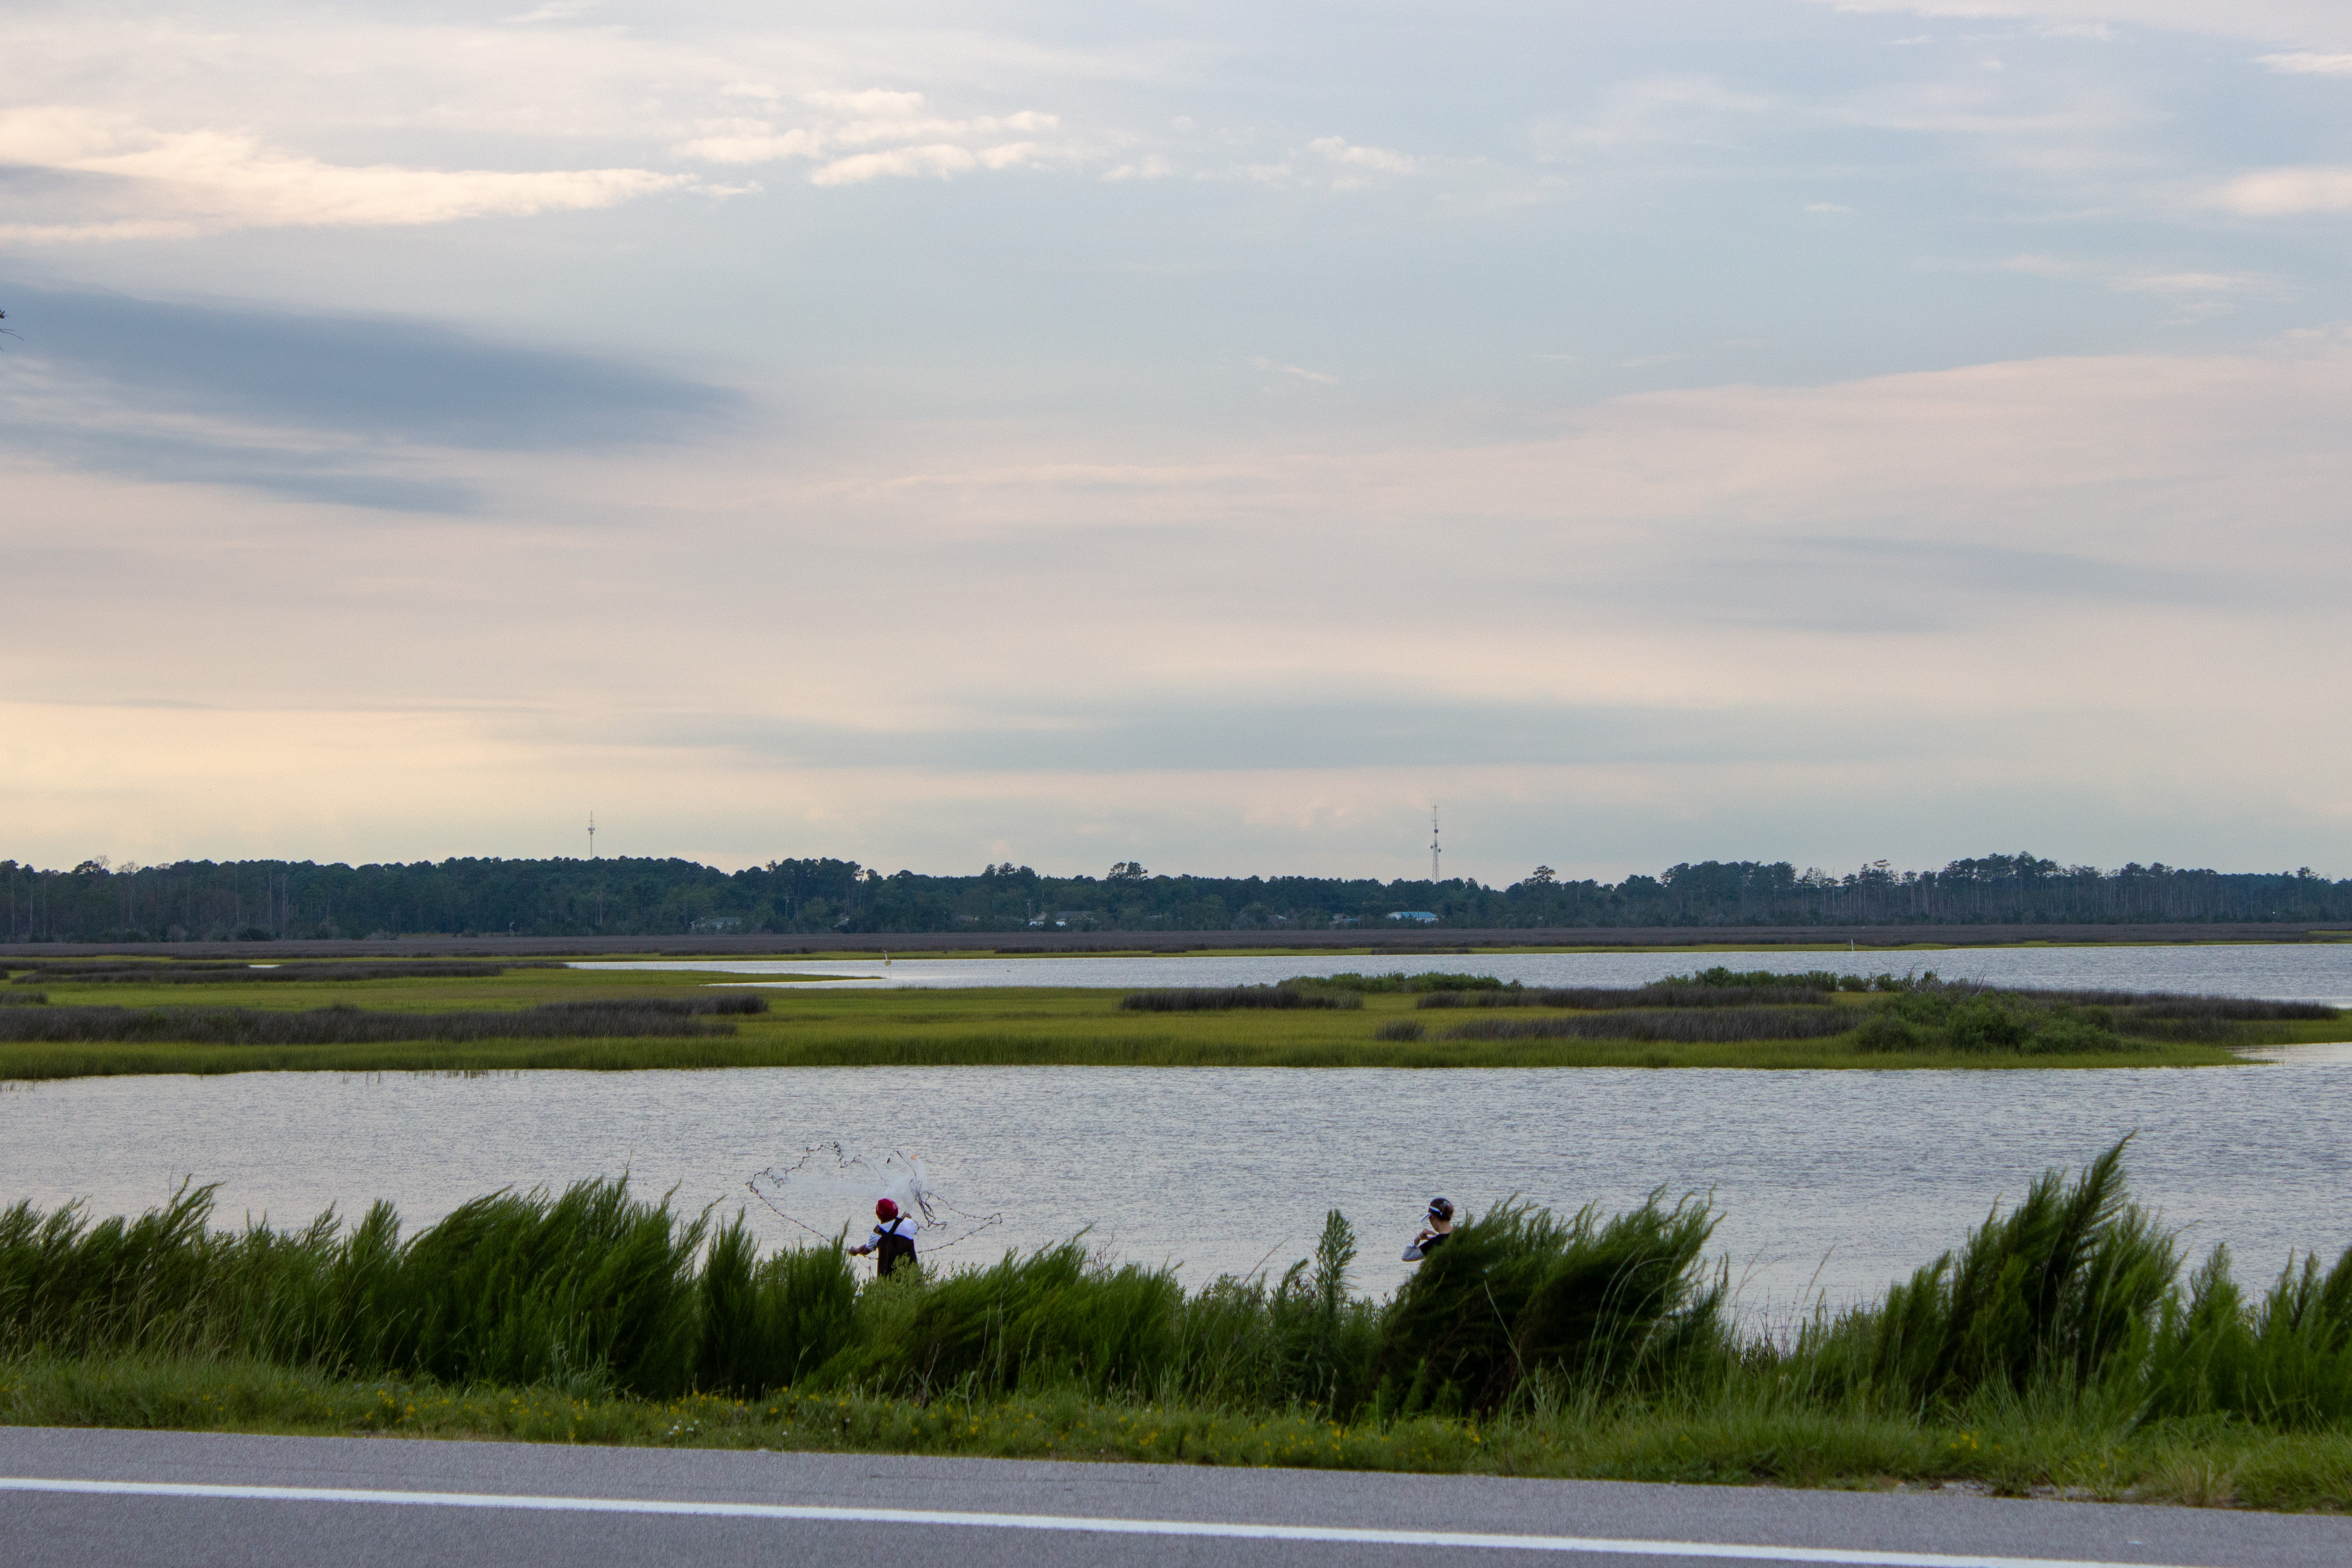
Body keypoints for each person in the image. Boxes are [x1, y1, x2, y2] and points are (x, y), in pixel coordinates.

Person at [850, 1197, 919, 1277]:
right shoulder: (908, 1223)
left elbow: (865, 1250)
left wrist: (856, 1251)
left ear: (878, 1215)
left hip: (887, 1282)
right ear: (896, 1211)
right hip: (912, 1279)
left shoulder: (877, 1233)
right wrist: (906, 1219)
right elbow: (917, 1226)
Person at [1404, 1197, 1454, 1262]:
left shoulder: (1434, 1244)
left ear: (1433, 1218)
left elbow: (1406, 1256)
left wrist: (1419, 1238)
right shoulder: (1463, 1232)